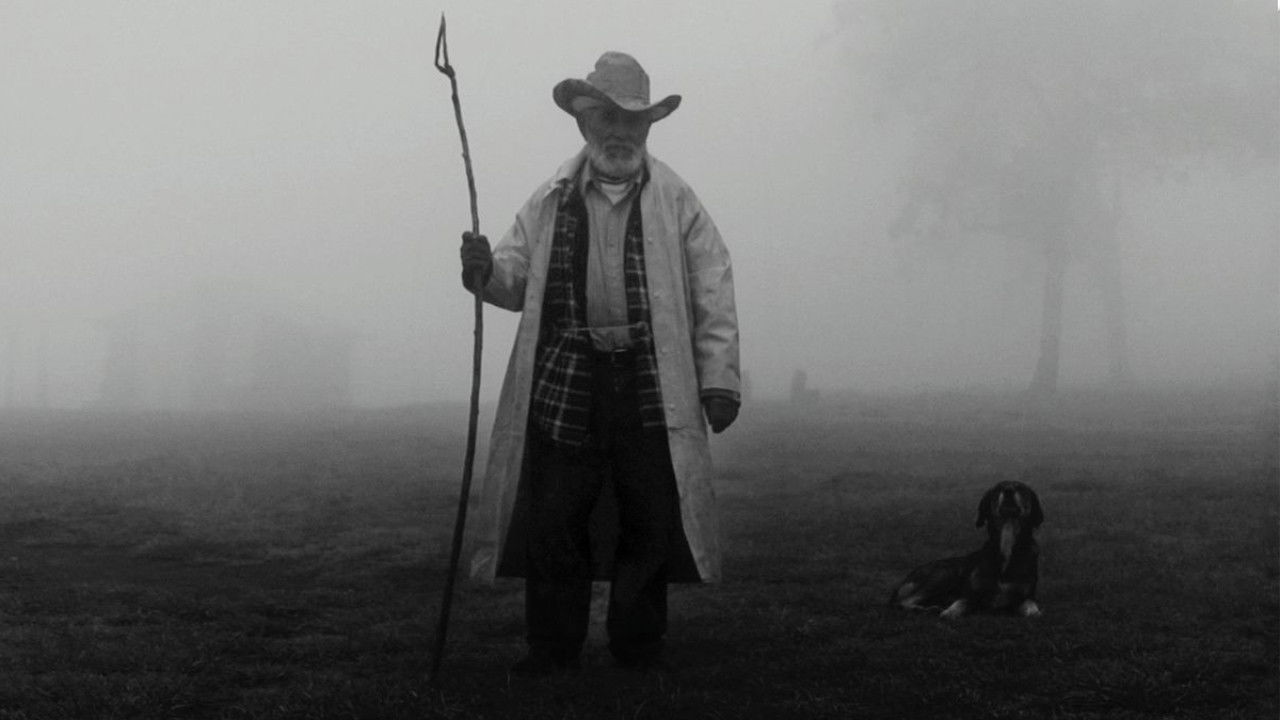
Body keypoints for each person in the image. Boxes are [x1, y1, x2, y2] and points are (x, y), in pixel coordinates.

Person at [459, 51, 740, 676]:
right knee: (554, 518)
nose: (620, 132)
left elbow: (712, 285)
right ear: (586, 123)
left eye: (632, 120)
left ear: (647, 128)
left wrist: (720, 380)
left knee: (649, 516)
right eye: (608, 118)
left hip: (649, 381)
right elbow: (514, 276)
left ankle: (638, 646)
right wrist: (483, 270)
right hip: (566, 380)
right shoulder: (551, 198)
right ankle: (552, 648)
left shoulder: (676, 200)